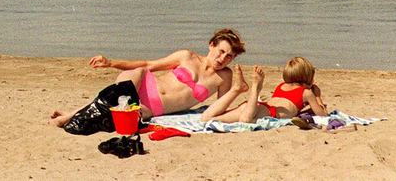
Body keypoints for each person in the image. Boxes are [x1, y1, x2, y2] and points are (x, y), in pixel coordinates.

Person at [49, 28, 246, 135]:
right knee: (130, 82)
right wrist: (110, 63)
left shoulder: (224, 77)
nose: (222, 59)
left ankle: (70, 114)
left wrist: (237, 91)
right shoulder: (186, 56)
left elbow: (219, 108)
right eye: (221, 51)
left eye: (229, 57)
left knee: (109, 118)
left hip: (150, 108)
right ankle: (68, 117)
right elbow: (148, 64)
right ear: (211, 45)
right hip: (143, 83)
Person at [199, 56, 328, 124]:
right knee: (246, 121)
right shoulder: (306, 93)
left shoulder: (281, 85)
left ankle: (239, 88)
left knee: (206, 118)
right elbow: (322, 115)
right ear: (308, 78)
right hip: (269, 112)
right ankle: (256, 87)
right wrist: (317, 97)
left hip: (255, 106)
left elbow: (298, 107)